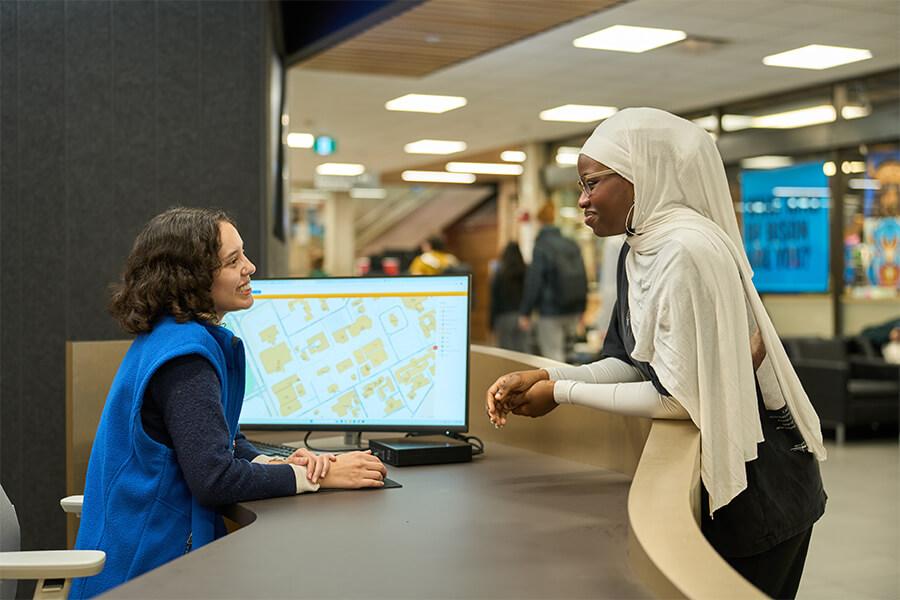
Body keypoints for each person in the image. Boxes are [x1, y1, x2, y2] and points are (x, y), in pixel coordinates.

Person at [486, 108, 826, 599]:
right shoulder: (639, 246)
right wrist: (544, 374)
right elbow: (629, 361)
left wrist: (560, 391)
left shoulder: (686, 251)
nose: (582, 201)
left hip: (761, 489)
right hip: (722, 484)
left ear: (642, 175)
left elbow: (678, 399)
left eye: (591, 183)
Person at [71, 208, 387, 598]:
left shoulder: (174, 337)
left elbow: (220, 437)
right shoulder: (185, 359)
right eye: (233, 261)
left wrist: (269, 462)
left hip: (144, 558)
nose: (250, 267)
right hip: (146, 574)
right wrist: (318, 477)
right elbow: (214, 479)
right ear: (191, 276)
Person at [518, 202, 587, 362]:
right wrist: (582, 307)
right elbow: (583, 275)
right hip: (573, 308)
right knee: (570, 355)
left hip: (550, 311)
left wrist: (525, 312)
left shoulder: (541, 246)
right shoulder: (571, 243)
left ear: (539, 222)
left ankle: (560, 387)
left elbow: (534, 281)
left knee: (553, 358)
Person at [490, 242, 528, 353]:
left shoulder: (500, 273)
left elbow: (494, 299)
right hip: (522, 316)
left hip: (504, 317)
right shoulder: (526, 271)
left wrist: (491, 323)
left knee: (506, 353)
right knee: (523, 351)